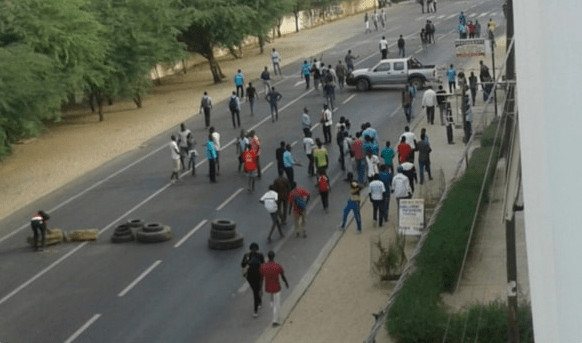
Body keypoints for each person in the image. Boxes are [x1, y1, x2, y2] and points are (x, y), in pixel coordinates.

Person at [259, 250, 289, 326]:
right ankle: (275, 320)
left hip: (268, 286)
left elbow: (261, 279)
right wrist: (286, 282)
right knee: (277, 304)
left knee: (273, 300)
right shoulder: (277, 266)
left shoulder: (263, 266)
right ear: (274, 256)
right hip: (276, 286)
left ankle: (271, 303)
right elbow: (282, 275)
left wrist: (260, 289)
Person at [241, 243, 265, 318]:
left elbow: (263, 264)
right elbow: (242, 265)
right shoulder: (247, 255)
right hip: (250, 276)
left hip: (258, 275)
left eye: (255, 249)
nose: (254, 250)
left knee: (255, 291)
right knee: (255, 289)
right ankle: (259, 300)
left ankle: (255, 310)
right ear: (251, 249)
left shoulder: (260, 255)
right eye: (252, 249)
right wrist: (247, 261)